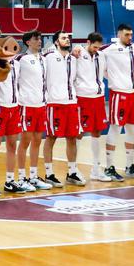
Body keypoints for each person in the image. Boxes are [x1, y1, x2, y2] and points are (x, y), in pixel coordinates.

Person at [99, 23, 134, 180]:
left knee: (131, 129)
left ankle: (130, 166)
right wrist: (109, 76)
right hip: (118, 94)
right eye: (127, 35)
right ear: (119, 34)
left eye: (131, 35)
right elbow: (91, 50)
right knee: (115, 128)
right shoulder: (109, 48)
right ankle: (109, 167)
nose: (130, 37)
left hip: (133, 94)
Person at [42, 31, 85, 186]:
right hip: (55, 103)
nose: (67, 40)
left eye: (68, 38)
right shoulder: (48, 57)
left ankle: (72, 172)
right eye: (63, 38)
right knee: (51, 137)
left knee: (72, 137)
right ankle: (49, 174)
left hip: (71, 103)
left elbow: (92, 49)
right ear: (55, 42)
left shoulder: (73, 59)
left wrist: (79, 48)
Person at [74, 32, 112, 182]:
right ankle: (73, 168)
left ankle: (96, 168)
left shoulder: (101, 55)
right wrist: (75, 48)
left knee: (97, 131)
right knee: (80, 132)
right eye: (94, 46)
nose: (96, 49)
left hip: (98, 98)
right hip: (83, 97)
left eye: (98, 47)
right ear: (87, 42)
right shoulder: (77, 54)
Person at [15, 30, 50, 190]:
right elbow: (14, 80)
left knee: (37, 140)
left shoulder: (44, 59)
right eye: (36, 39)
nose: (39, 41)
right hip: (27, 105)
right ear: (28, 42)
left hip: (41, 105)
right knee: (25, 141)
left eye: (40, 38)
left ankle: (34, 177)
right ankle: (22, 178)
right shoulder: (21, 59)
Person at [0, 54, 28, 193]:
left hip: (14, 107)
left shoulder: (17, 64)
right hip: (0, 108)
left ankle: (10, 180)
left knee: (12, 144)